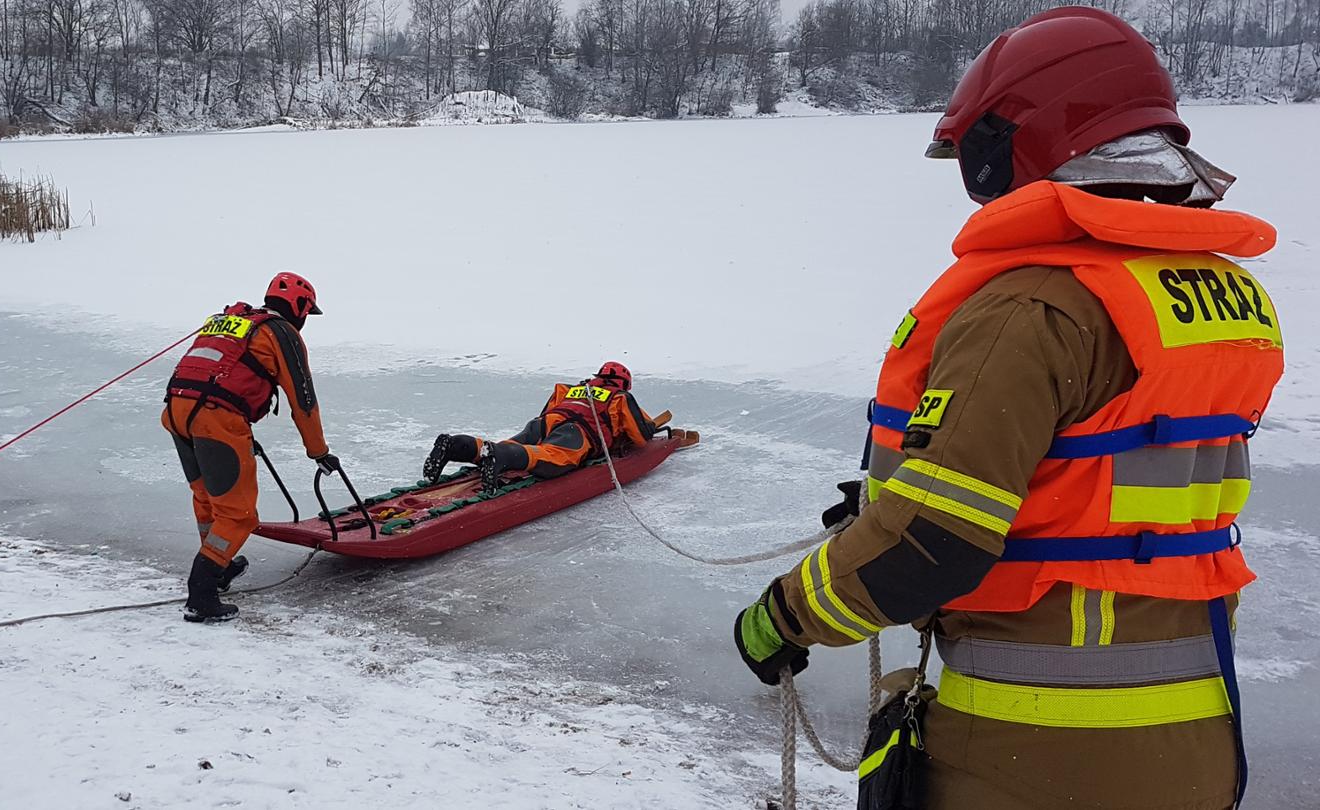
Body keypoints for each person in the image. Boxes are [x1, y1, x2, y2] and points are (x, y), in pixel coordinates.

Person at [731, 8, 1282, 809]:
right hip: (1192, 744)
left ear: (1022, 145)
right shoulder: (1218, 296)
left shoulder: (1035, 305)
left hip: (1039, 753)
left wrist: (785, 615)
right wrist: (915, 482)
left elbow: (934, 541)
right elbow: (1111, 479)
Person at [163, 272, 338, 623]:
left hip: (176, 410)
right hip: (215, 417)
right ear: (300, 308)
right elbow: (302, 400)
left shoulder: (231, 321)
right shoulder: (282, 333)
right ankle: (203, 591)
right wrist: (318, 451)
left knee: (207, 499)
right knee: (238, 514)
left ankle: (219, 565)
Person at [423, 362, 663, 491]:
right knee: (550, 458)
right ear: (625, 383)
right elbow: (640, 434)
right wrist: (649, 431)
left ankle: (454, 445)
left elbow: (547, 411)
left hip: (546, 422)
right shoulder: (619, 397)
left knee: (510, 445)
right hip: (579, 433)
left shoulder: (571, 388)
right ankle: (500, 456)